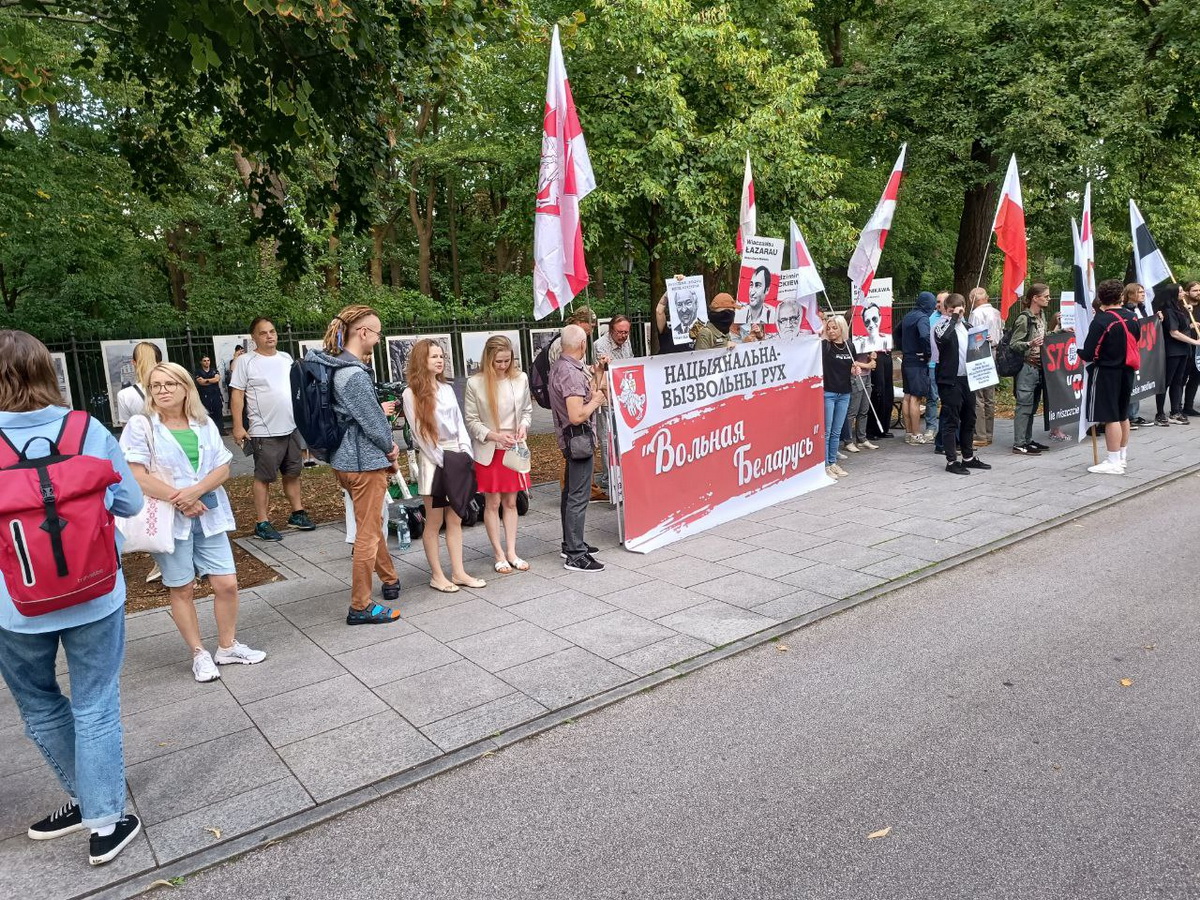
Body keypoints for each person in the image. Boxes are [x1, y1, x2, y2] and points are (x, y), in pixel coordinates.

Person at [0, 330, 145, 866]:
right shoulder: (87, 428)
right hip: (95, 591)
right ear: (47, 373)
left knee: (38, 702)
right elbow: (128, 501)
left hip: (13, 603)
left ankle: (90, 797)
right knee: (95, 701)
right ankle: (104, 817)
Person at [121, 361, 266, 681]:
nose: (162, 390)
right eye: (156, 385)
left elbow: (223, 468)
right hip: (170, 520)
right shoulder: (141, 425)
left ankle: (227, 647)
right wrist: (180, 499)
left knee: (226, 583)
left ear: (185, 387)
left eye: (170, 384)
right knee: (182, 586)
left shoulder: (202, 423)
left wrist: (196, 492)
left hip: (209, 514)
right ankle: (199, 653)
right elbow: (136, 476)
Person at [305, 306, 406, 624]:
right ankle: (360, 605)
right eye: (376, 333)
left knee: (371, 524)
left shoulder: (332, 367)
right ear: (363, 332)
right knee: (368, 533)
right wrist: (391, 449)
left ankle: (390, 579)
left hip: (344, 460)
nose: (378, 339)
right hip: (363, 464)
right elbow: (375, 423)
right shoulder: (353, 374)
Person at [403, 339, 486, 593]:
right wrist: (443, 460)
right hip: (433, 460)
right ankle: (437, 574)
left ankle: (458, 571)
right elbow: (420, 433)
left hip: (455, 455)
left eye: (441, 356)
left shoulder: (447, 389)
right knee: (434, 519)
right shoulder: (411, 393)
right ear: (421, 360)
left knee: (456, 517)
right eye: (433, 357)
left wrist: (465, 452)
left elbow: (459, 423)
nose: (440, 360)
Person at [229, 317, 316, 541]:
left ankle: (297, 513)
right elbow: (237, 394)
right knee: (264, 477)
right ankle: (262, 521)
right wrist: (238, 426)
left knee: (293, 473)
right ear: (254, 337)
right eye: (263, 333)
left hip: (290, 427)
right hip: (264, 431)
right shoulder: (246, 362)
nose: (270, 336)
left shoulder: (285, 358)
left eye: (272, 331)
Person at [465, 336, 533, 575]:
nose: (503, 365)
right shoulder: (476, 383)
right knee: (492, 502)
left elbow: (526, 410)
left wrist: (524, 425)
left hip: (514, 445)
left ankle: (512, 551)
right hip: (491, 448)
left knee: (512, 502)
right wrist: (494, 436)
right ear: (488, 359)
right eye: (498, 362)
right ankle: (498, 553)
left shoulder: (520, 378)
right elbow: (471, 421)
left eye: (507, 360)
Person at [551, 324, 607, 572]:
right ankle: (575, 554)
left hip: (573, 440)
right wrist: (596, 401)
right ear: (582, 344)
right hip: (578, 438)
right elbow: (576, 414)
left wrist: (597, 374)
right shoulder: (571, 373)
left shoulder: (562, 366)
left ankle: (571, 544)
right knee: (578, 496)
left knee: (571, 493)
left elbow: (584, 396)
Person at [1079, 279, 1143, 474]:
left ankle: (1113, 460)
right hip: (1128, 370)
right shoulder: (1132, 317)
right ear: (1121, 297)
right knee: (1123, 413)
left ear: (1100, 298)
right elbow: (1137, 339)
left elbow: (1090, 352)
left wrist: (1079, 350)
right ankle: (1122, 455)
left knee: (1110, 416)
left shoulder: (1101, 320)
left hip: (1107, 371)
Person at [934, 294, 992, 475]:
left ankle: (968, 457)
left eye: (959, 310)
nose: (956, 314)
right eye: (951, 311)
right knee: (951, 420)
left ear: (964, 308)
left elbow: (976, 349)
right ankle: (951, 460)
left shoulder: (969, 327)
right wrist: (952, 318)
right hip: (949, 380)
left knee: (969, 418)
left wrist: (986, 342)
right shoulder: (942, 326)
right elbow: (942, 339)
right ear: (947, 310)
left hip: (968, 378)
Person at [1009, 284, 1051, 455]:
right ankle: (1019, 443)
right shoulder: (1024, 318)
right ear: (1035, 298)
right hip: (1027, 367)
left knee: (1032, 406)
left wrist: (1062, 331)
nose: (1048, 299)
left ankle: (1027, 439)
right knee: (1024, 405)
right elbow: (1014, 344)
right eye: (1046, 296)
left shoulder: (1041, 316)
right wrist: (1029, 343)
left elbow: (1044, 337)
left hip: (1039, 367)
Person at [1152, 283, 1200, 425]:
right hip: (1172, 351)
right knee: (1166, 382)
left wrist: (1189, 315)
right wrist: (1195, 342)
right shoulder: (1167, 310)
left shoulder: (1178, 308)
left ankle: (1175, 411)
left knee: (1178, 382)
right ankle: (1160, 413)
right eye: (1180, 292)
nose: (1183, 294)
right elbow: (1174, 333)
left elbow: (1183, 327)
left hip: (1183, 350)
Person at [899, 291, 937, 444]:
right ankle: (916, 434)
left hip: (907, 359)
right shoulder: (923, 318)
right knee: (916, 397)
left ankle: (908, 432)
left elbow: (897, 332)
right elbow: (924, 336)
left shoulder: (908, 316)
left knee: (907, 396)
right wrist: (928, 353)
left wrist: (903, 348)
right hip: (918, 361)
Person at [969, 287, 1003, 448]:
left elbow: (974, 336)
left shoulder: (976, 314)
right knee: (990, 398)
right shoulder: (996, 313)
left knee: (978, 398)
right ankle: (989, 433)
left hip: (980, 356)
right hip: (994, 353)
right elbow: (1000, 334)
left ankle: (980, 434)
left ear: (973, 300)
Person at [821, 315, 854, 479]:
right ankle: (825, 464)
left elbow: (850, 366)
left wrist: (855, 369)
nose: (831, 331)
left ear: (842, 328)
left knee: (837, 430)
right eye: (829, 328)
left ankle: (832, 462)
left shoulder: (849, 346)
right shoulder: (825, 346)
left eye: (834, 328)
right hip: (828, 392)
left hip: (845, 392)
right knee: (827, 431)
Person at [1122, 284, 1151, 427]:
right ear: (1130, 294)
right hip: (1130, 351)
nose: (1142, 294)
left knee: (1136, 383)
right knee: (1130, 383)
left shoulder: (1142, 308)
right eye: (1139, 292)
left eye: (1143, 292)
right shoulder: (1126, 310)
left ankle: (1134, 414)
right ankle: (1128, 416)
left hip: (1142, 350)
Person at [114, 341, 161, 425]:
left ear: (134, 363)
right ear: (160, 363)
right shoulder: (173, 388)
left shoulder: (124, 395)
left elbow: (128, 431)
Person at [846, 347, 879, 451]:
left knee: (864, 410)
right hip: (856, 376)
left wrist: (871, 355)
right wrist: (867, 365)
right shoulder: (851, 340)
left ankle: (862, 439)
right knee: (853, 411)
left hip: (867, 375)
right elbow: (849, 360)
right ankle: (848, 440)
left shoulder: (867, 338)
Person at [1180, 281, 1200, 416]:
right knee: (1182, 377)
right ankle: (1177, 407)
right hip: (1185, 346)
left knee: (1196, 376)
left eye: (1199, 290)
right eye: (1195, 290)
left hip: (1198, 346)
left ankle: (1189, 406)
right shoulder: (1182, 307)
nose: (1198, 293)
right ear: (1187, 292)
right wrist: (1190, 324)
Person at [194, 354, 225, 434]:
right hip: (205, 395)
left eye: (208, 360)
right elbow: (201, 382)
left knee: (218, 412)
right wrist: (211, 380)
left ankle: (221, 430)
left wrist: (206, 380)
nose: (207, 362)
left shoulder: (214, 370)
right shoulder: (198, 372)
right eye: (204, 361)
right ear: (201, 362)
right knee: (206, 413)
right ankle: (209, 432)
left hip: (215, 394)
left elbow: (217, 379)